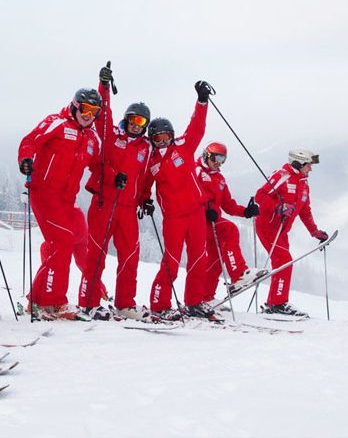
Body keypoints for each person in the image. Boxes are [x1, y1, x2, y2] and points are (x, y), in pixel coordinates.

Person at [77, 63, 153, 321]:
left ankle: (124, 304)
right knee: (96, 254)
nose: (135, 125)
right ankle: (88, 303)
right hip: (104, 202)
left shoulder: (146, 147)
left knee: (130, 256)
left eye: (141, 121)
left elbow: (144, 179)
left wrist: (145, 199)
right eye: (132, 119)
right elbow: (104, 113)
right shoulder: (111, 133)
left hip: (128, 209)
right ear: (126, 119)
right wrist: (104, 86)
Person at [18, 88, 101, 320]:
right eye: (85, 109)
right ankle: (53, 302)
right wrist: (25, 159)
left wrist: (107, 180)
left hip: (67, 199)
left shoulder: (92, 138)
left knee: (68, 241)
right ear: (75, 106)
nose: (88, 115)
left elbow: (99, 166)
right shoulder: (57, 123)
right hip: (44, 193)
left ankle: (37, 300)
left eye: (94, 111)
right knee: (61, 241)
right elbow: (30, 141)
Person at [140, 81, 213, 322]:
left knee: (199, 257)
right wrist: (145, 200)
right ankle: (159, 305)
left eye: (165, 137)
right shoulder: (151, 162)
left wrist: (202, 102)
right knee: (171, 260)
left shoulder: (183, 147)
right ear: (151, 139)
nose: (162, 142)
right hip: (173, 218)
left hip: (196, 213)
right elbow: (143, 186)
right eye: (157, 138)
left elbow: (197, 128)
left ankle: (194, 301)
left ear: (171, 136)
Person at [254, 149, 328, 317]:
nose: (311, 169)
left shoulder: (303, 182)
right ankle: (278, 304)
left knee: (282, 263)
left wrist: (314, 231)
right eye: (308, 165)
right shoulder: (282, 176)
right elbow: (260, 195)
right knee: (284, 261)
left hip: (282, 230)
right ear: (298, 163)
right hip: (268, 226)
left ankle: (275, 302)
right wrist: (278, 207)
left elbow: (305, 210)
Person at [197, 142, 265, 304]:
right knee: (229, 229)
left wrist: (246, 211)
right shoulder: (196, 172)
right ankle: (238, 274)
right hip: (198, 220)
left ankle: (205, 297)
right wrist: (203, 209)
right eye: (216, 158)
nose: (218, 163)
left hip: (212, 221)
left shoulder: (219, 179)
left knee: (216, 259)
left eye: (222, 160)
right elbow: (188, 194)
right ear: (207, 155)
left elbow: (228, 205)